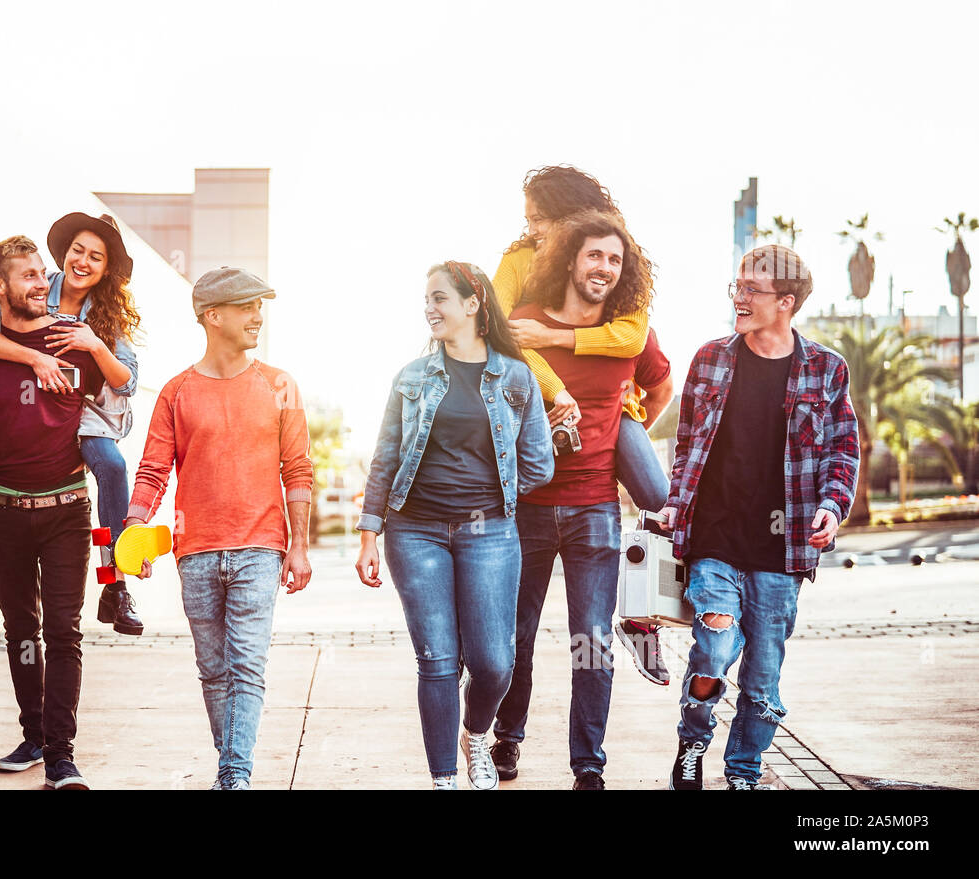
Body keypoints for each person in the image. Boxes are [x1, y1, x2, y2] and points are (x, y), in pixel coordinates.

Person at [661, 244, 858, 791]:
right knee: (713, 652)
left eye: (752, 289)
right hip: (714, 541)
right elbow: (685, 445)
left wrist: (831, 506)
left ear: (786, 302)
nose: (739, 298)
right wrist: (676, 503)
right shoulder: (711, 359)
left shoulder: (826, 368)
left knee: (763, 678)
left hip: (782, 546)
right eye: (737, 286)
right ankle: (693, 744)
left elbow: (843, 449)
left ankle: (744, 772)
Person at [355, 261, 553, 790]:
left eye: (440, 298)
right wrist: (369, 533)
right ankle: (445, 778)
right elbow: (386, 457)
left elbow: (538, 463)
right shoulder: (413, 376)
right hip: (413, 531)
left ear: (473, 303)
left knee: (494, 662)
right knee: (438, 658)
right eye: (427, 299)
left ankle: (476, 734)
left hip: (489, 534)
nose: (430, 308)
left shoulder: (516, 376)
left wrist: (494, 492)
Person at [491, 210, 672, 789]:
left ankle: (588, 766)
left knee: (591, 642)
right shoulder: (523, 323)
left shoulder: (628, 332)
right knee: (515, 637)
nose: (605, 267)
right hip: (531, 509)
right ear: (570, 259)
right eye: (595, 255)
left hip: (597, 509)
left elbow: (662, 381)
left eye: (615, 260)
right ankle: (506, 739)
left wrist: (629, 425)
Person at [126, 266, 314, 790]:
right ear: (213, 316)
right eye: (248, 307)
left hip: (260, 547)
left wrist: (298, 547)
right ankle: (233, 767)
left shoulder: (280, 386)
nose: (259, 317)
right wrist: (134, 533)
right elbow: (153, 470)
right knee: (213, 670)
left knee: (246, 667)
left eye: (261, 306)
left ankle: (234, 774)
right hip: (197, 551)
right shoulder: (175, 392)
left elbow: (297, 470)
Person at [0, 212, 141, 653]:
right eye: (78, 250)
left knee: (112, 466)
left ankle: (114, 584)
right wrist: (35, 358)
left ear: (105, 268)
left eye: (96, 257)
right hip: (24, 413)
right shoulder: (35, 285)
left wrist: (94, 344)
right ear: (64, 252)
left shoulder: (107, 315)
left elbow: (127, 382)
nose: (83, 261)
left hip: (81, 415)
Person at [0, 234, 107, 789]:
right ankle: (33, 735)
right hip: (7, 513)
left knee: (64, 631)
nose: (43, 283)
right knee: (21, 627)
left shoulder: (73, 340)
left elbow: (115, 400)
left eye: (44, 273)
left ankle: (62, 755)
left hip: (68, 509)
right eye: (29, 276)